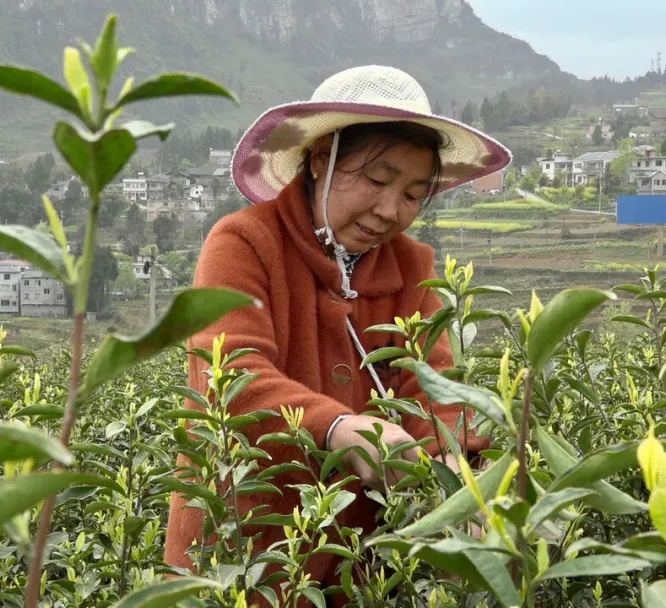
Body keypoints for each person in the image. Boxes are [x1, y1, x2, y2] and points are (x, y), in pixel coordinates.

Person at [163, 65, 512, 602]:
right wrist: (338, 429)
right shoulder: (243, 243)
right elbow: (229, 374)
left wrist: (453, 463)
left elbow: (435, 383)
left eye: (415, 195)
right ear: (321, 159)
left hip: (361, 570)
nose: (390, 211)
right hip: (244, 561)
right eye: (376, 181)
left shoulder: (411, 265)